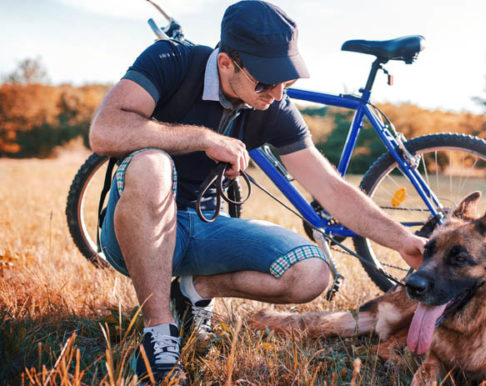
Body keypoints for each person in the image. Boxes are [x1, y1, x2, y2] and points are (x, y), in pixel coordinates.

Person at [89, 0, 425, 383]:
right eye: (266, 80)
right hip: (135, 231)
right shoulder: (170, 60)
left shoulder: (275, 105)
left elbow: (330, 188)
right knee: (153, 164)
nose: (278, 94)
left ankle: (193, 290)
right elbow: (105, 131)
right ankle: (160, 335)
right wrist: (203, 139)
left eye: (288, 81)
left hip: (202, 228)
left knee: (313, 273)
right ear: (226, 63)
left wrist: (401, 239)